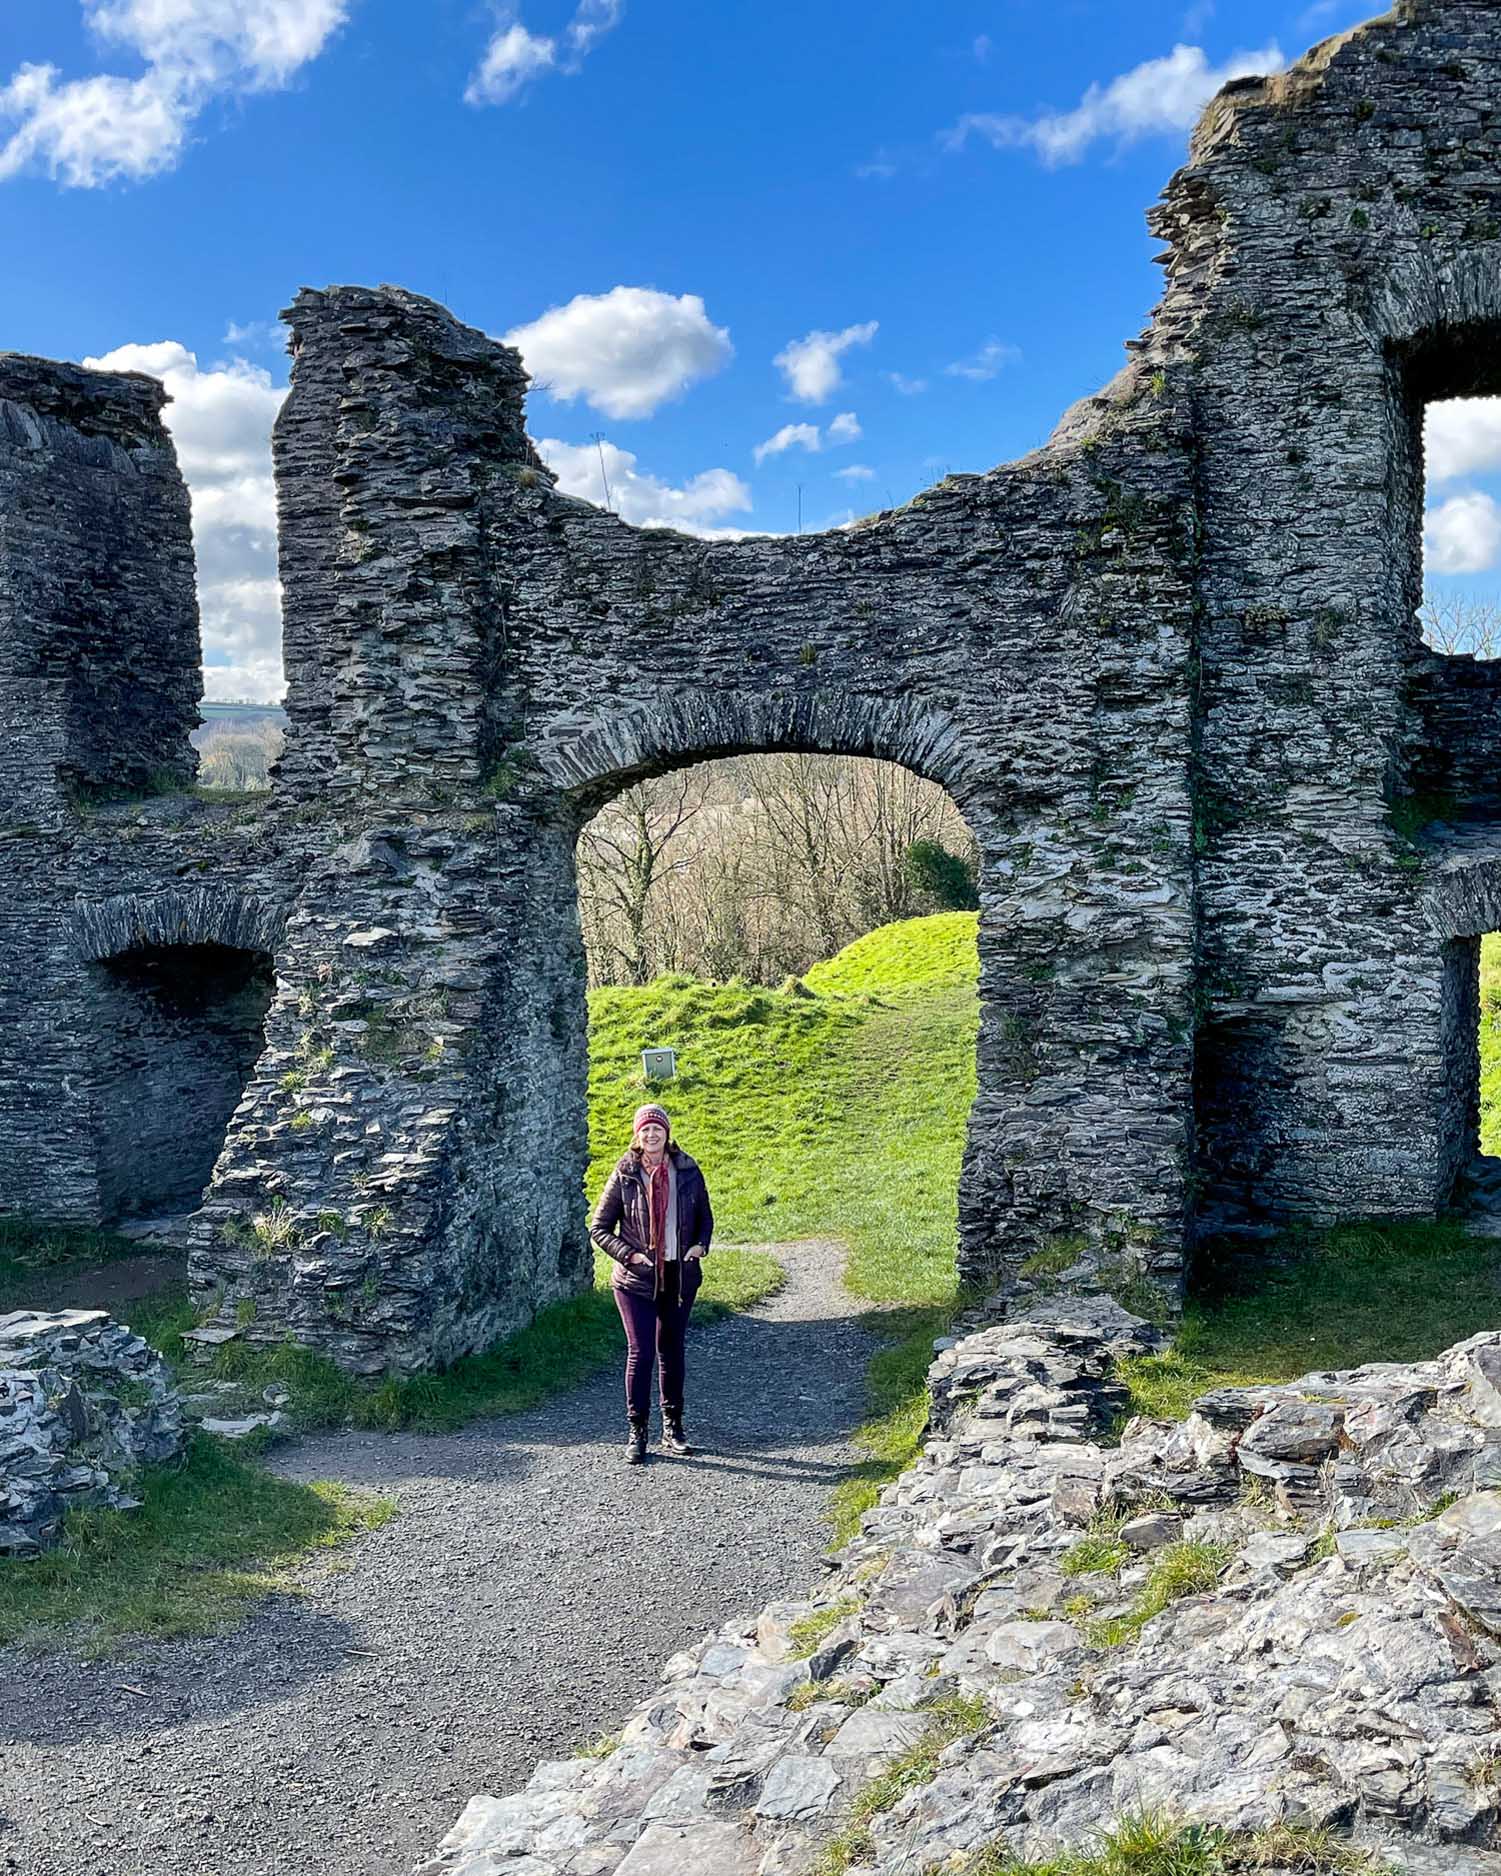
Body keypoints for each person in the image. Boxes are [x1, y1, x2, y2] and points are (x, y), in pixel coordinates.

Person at [590, 1102, 714, 1465]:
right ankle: (637, 1430)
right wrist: (629, 1255)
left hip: (678, 1276)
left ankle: (673, 1428)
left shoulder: (687, 1169)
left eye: (657, 1128)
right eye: (645, 1129)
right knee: (640, 1352)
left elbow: (704, 1217)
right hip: (636, 1280)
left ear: (667, 1132)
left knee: (672, 1351)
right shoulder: (625, 1172)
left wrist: (699, 1246)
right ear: (637, 1134)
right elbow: (599, 1228)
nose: (652, 1134)